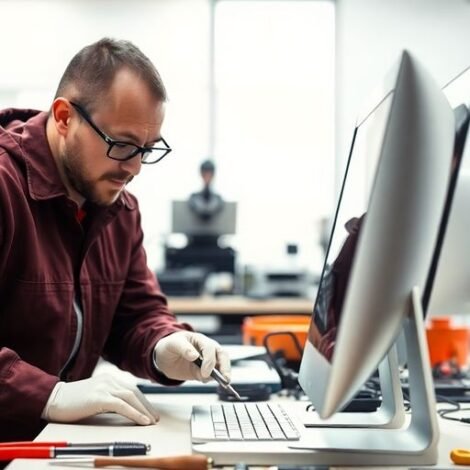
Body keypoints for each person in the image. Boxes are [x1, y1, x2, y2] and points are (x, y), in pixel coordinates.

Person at [0, 38, 231, 441]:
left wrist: (164, 344)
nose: (136, 167)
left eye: (147, 149)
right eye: (122, 145)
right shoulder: (4, 187)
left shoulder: (120, 211)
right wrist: (49, 395)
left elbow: (136, 316)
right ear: (63, 117)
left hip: (54, 443)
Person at [188, 159, 224, 224]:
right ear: (201, 174)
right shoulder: (193, 197)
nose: (207, 176)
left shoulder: (218, 199)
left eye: (209, 174)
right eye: (205, 173)